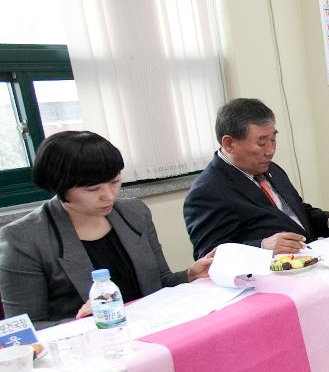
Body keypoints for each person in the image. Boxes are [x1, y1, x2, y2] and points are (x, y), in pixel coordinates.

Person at [0, 131, 215, 328]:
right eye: (92, 189)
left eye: (114, 182)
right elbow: (24, 329)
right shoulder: (23, 238)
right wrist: (85, 321)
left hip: (151, 331)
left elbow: (158, 282)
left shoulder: (134, 213)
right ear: (60, 186)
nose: (109, 196)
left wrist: (189, 274)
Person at [185, 98, 329, 258]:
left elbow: (296, 213)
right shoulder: (207, 191)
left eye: (273, 140)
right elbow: (209, 256)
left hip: (308, 261)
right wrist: (262, 247)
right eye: (261, 143)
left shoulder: (270, 168)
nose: (270, 151)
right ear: (229, 144)